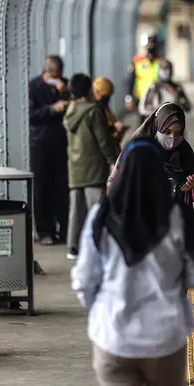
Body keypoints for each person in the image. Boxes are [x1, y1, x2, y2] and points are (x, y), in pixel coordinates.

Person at [71, 138, 194, 386]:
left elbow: (84, 280)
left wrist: (102, 310)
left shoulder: (101, 215)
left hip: (113, 338)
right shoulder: (180, 216)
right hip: (165, 339)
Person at [63, 74, 120, 260]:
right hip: (94, 168)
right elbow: (104, 140)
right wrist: (113, 160)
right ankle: (97, 245)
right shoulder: (94, 111)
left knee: (76, 211)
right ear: (90, 90)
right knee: (96, 208)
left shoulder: (70, 109)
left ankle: (73, 246)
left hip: (75, 167)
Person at [115, 103, 194, 207]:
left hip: (177, 218)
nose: (173, 138)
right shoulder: (140, 155)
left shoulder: (185, 153)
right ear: (157, 128)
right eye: (167, 132)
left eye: (178, 133)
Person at [29, 55, 70, 246]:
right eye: (54, 75)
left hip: (61, 142)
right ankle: (44, 230)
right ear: (46, 72)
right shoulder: (33, 87)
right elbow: (31, 114)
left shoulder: (65, 86)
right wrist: (52, 109)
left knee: (62, 188)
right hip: (40, 143)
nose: (57, 78)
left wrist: (65, 93)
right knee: (42, 187)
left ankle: (64, 228)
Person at [125, 35, 162, 123]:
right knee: (142, 125)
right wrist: (129, 98)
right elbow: (131, 80)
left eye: (153, 44)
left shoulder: (161, 61)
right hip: (141, 96)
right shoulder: (138, 60)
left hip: (157, 98)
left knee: (157, 124)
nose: (151, 46)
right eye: (149, 44)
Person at [93, 76, 129, 153]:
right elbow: (102, 136)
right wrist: (115, 129)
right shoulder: (96, 111)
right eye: (105, 96)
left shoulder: (106, 109)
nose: (107, 99)